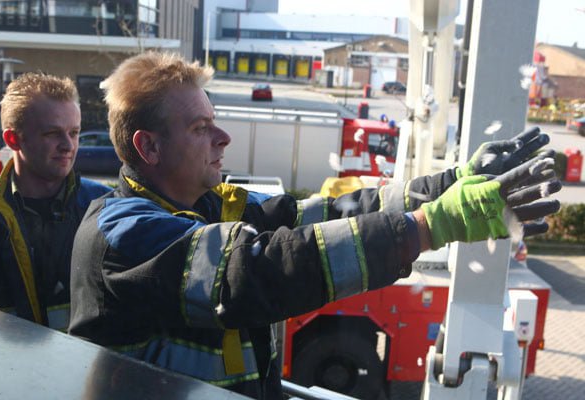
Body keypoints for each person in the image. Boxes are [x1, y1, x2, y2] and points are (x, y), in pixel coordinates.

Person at [68, 51, 561, 399]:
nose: (223, 136)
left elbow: (319, 216)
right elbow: (255, 271)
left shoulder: (210, 206)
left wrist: (448, 183)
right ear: (149, 147)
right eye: (200, 128)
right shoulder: (123, 235)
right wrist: (430, 226)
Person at [0, 73, 111, 330]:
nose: (68, 145)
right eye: (52, 133)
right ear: (13, 139)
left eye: (74, 133)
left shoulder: (104, 207)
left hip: (81, 356)